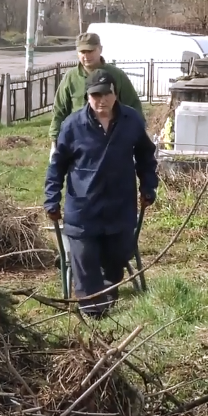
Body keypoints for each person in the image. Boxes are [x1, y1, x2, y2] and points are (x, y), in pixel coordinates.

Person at [44, 69, 159, 319]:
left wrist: (148, 186)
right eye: (95, 95)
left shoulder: (131, 121)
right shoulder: (73, 125)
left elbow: (146, 156)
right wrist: (51, 198)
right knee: (85, 259)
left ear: (115, 94)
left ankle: (108, 295)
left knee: (117, 255)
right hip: (83, 208)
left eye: (106, 94)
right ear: (88, 96)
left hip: (119, 205)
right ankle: (93, 311)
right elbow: (57, 165)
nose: (101, 100)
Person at [48, 33, 143, 160]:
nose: (86, 56)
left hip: (112, 140)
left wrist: (137, 139)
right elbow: (59, 111)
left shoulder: (116, 75)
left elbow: (134, 106)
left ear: (100, 49)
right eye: (82, 52)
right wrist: (54, 143)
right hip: (79, 141)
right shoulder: (71, 78)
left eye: (91, 51)